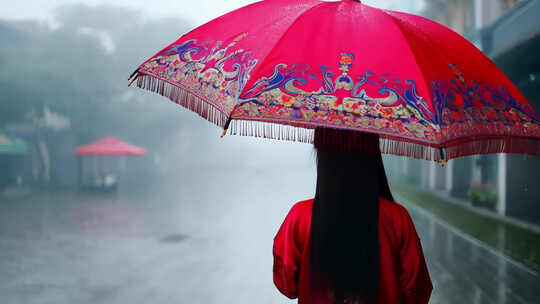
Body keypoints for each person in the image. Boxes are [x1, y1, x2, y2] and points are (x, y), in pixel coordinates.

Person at [272, 127, 433, 304]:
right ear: (372, 155)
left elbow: (287, 285)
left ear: (324, 156)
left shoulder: (300, 216)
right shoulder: (397, 218)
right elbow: (418, 291)